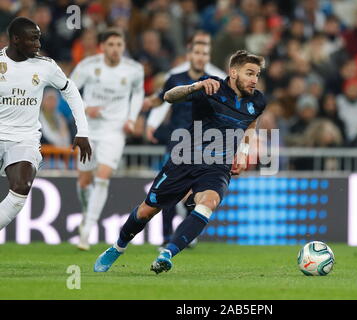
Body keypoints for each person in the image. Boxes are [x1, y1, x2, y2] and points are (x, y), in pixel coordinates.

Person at [94, 50, 266, 274]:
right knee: (148, 210)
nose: (254, 80)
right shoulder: (210, 86)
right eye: (249, 73)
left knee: (209, 202)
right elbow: (168, 97)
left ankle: (167, 253)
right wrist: (194, 87)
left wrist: (242, 152)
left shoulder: (258, 100)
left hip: (217, 167)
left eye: (257, 75)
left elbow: (251, 123)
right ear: (233, 72)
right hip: (185, 158)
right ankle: (118, 247)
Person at [0, 17, 91, 230]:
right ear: (16, 39)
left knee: (21, 188)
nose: (39, 45)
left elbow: (71, 90)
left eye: (39, 39)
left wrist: (83, 130)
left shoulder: (46, 66)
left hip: (24, 139)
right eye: (33, 40)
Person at [144, 30, 226, 249]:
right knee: (168, 191)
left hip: (204, 141)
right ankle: (165, 236)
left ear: (208, 57)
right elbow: (163, 100)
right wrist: (150, 121)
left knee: (198, 189)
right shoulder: (175, 79)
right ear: (189, 55)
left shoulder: (214, 82)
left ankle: (186, 231)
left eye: (204, 53)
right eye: (197, 52)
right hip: (178, 140)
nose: (200, 57)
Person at [71, 28, 144, 251]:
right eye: (111, 45)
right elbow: (70, 90)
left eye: (119, 45)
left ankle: (87, 230)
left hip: (115, 130)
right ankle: (86, 214)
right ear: (102, 47)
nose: (115, 49)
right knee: (84, 180)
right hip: (89, 130)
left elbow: (138, 93)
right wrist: (85, 108)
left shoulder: (134, 69)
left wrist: (131, 119)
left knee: (102, 176)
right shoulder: (88, 66)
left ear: (124, 47)